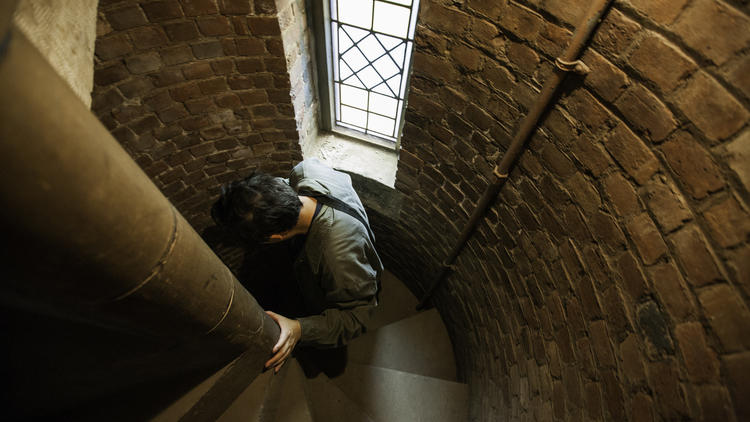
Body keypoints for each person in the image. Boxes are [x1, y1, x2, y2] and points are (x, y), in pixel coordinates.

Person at [211, 158, 382, 374]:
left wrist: (300, 328)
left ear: (275, 237)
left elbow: (357, 316)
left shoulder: (336, 256)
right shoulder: (306, 170)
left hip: (346, 278)